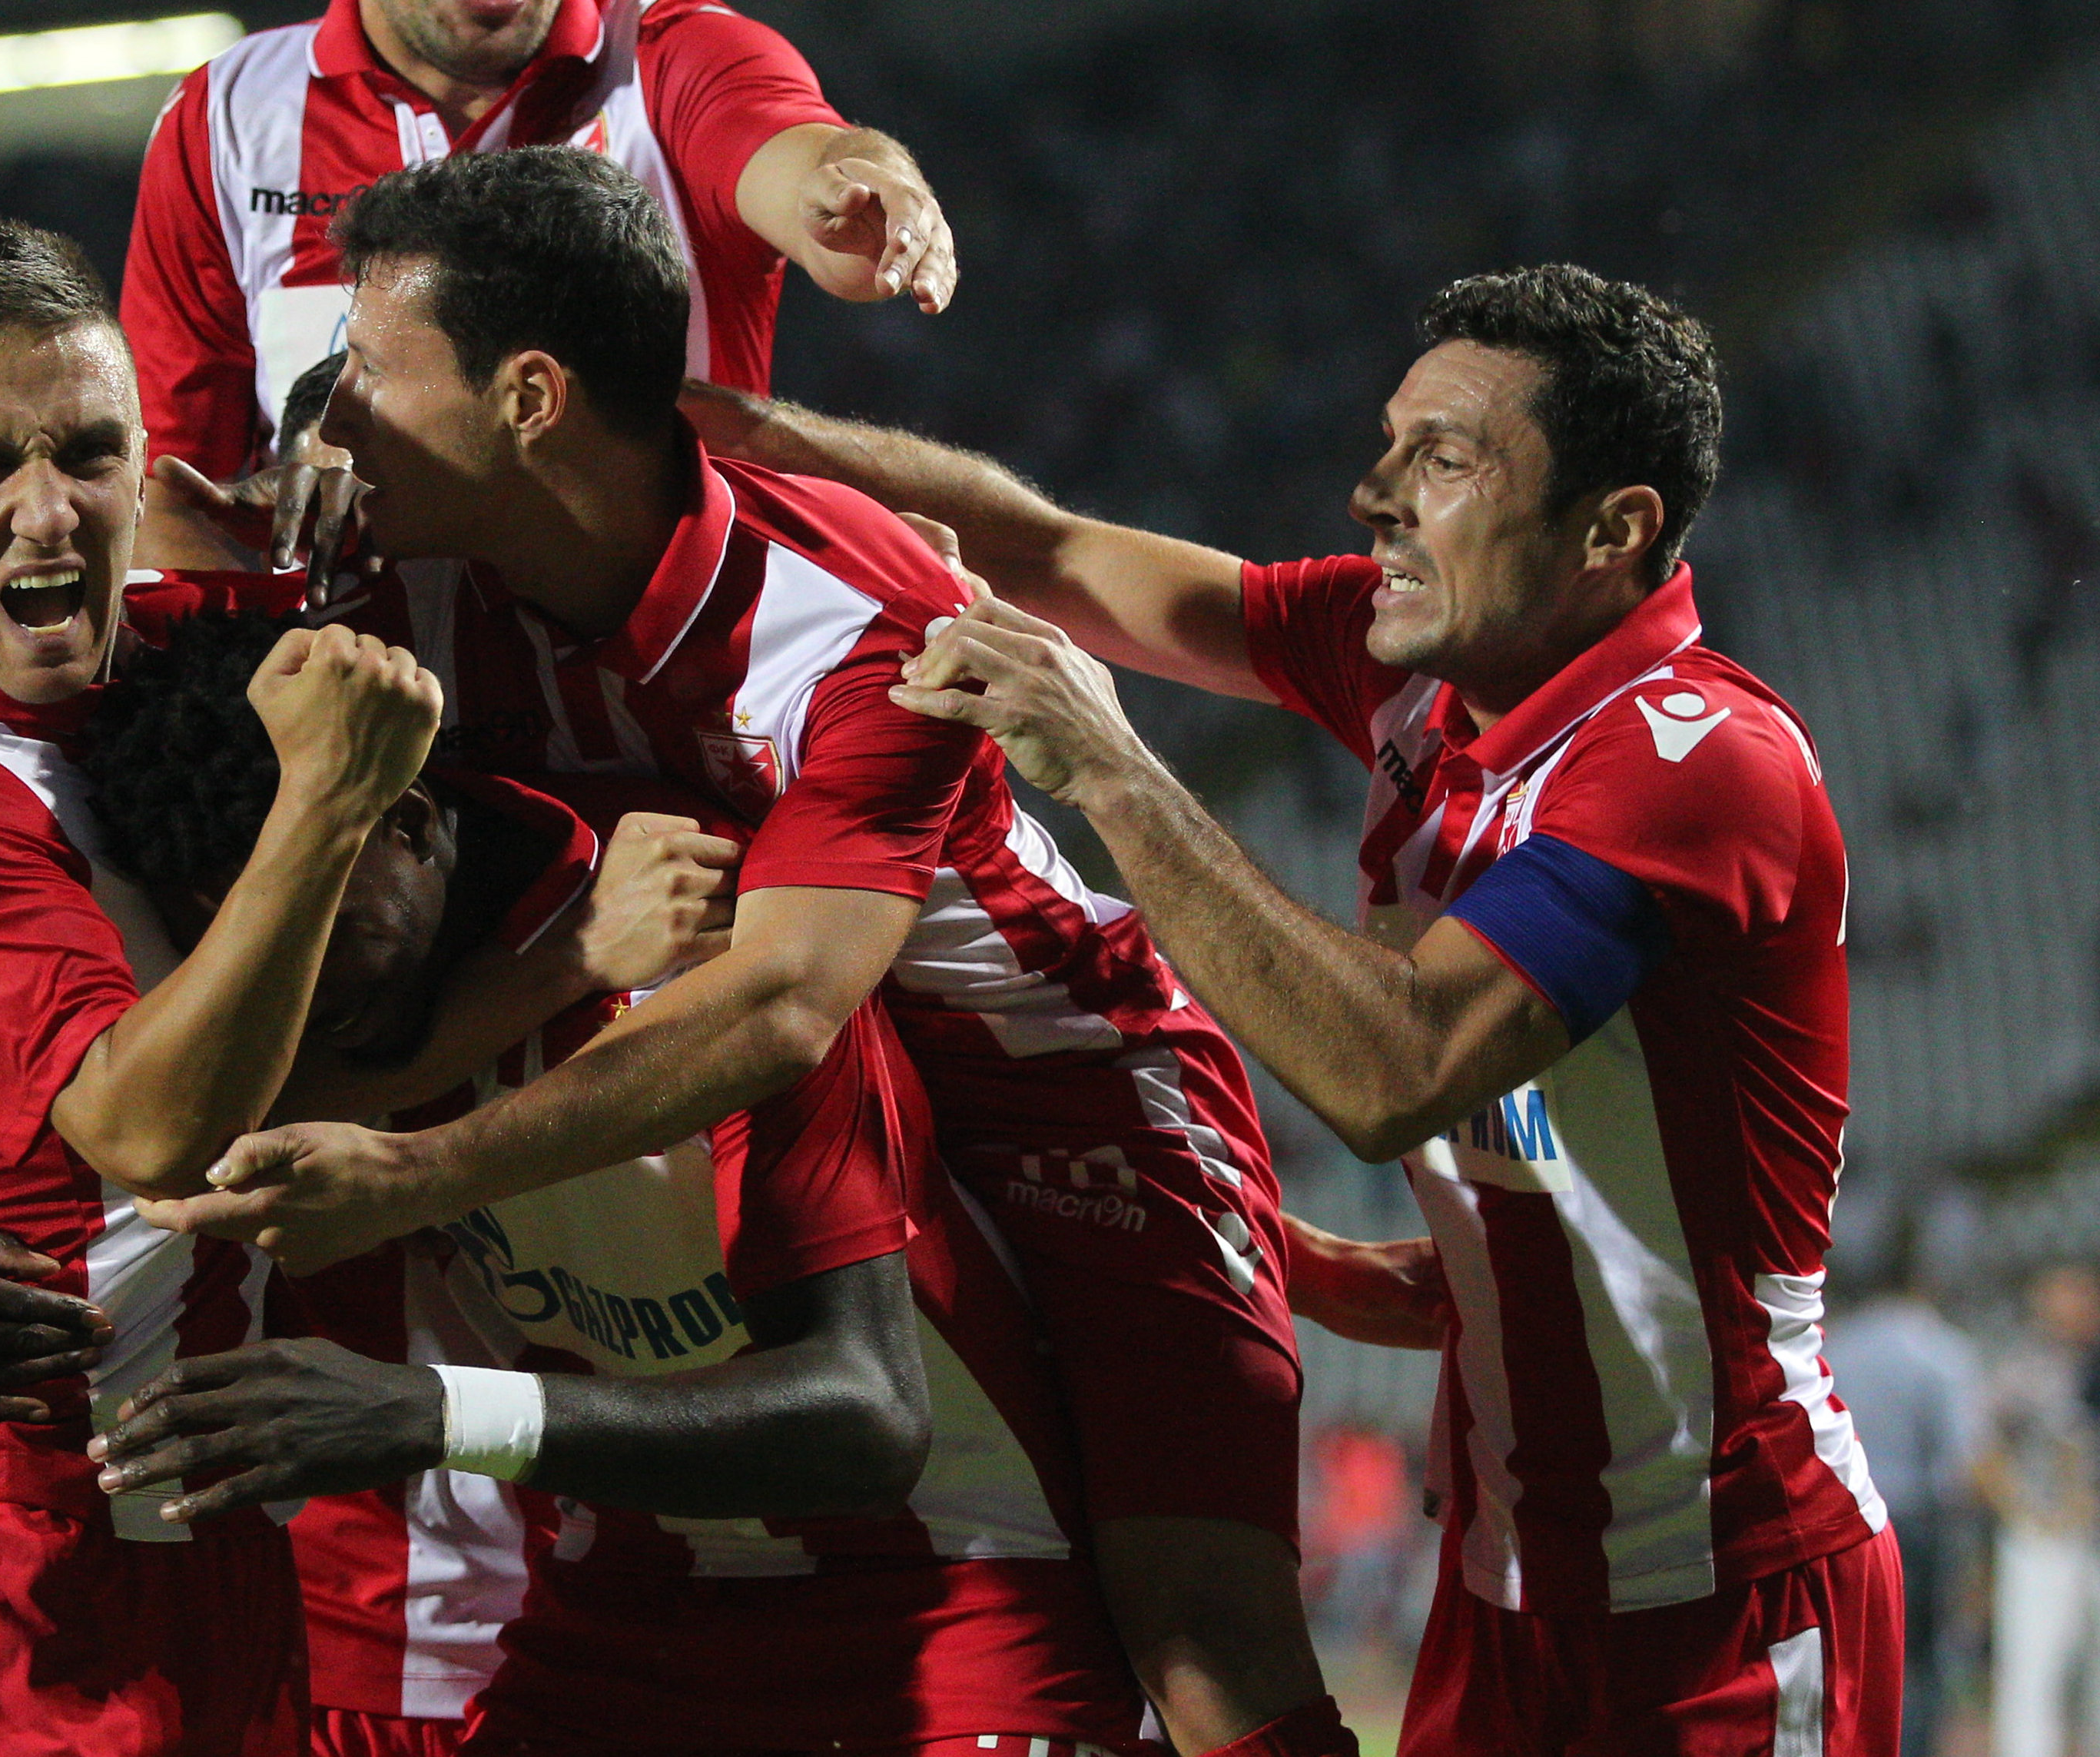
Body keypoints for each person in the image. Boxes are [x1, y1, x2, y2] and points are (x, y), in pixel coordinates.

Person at [119, 148, 1347, 1757]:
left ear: (530, 399)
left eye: (367, 370)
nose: (330, 415)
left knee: (1199, 1639)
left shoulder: (852, 620)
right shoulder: (401, 580)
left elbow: (778, 1002)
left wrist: (420, 1173)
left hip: (1056, 1094)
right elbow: (155, 595)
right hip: (800, 1089)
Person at [725, 264, 1902, 1752]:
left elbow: (1389, 1065)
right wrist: (713, 430)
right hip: (1508, 1584)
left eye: (1447, 459)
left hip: (1724, 1597)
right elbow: (1053, 551)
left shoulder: (1689, 757)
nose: (1375, 494)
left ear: (1613, 531)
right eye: (1392, 443)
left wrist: (1107, 764)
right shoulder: (1432, 677)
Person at [0, 609, 1160, 1757]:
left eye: (324, 940)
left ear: (399, 816)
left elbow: (869, 1418)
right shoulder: (316, 1012)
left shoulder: (698, 952)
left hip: (943, 1601)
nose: (302, 1023)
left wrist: (425, 1408)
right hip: (622, 1604)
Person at [0, 216, 445, 1757]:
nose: (47, 511)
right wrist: (326, 809)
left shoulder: (156, 671)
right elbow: (150, 1130)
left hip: (210, 1530)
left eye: (85, 452)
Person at [124, 0, 956, 538]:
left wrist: (851, 191)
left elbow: (804, 153)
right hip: (354, 663)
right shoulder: (228, 119)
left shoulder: (675, 60)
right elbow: (176, 492)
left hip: (684, 666)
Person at [1826, 1240, 1985, 1757]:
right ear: (1923, 1284)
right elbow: (1959, 1465)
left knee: (1845, 1657)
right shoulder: (1940, 1350)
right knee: (1913, 1660)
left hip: (1839, 1521)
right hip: (1913, 1525)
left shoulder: (1835, 1346)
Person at [1974, 1262, 2100, 1757]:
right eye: (2062, 1293)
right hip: (2043, 1540)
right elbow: (1980, 1453)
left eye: (2082, 1293)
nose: (2073, 1305)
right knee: (2032, 1676)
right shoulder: (2022, 1366)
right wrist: (2024, 1515)